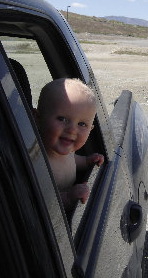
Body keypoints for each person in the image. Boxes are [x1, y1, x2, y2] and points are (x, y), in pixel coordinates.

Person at [33, 78, 104, 212]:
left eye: (82, 124)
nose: (72, 130)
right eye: (62, 119)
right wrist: (68, 198)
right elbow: (38, 203)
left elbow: (73, 160)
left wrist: (87, 161)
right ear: (37, 118)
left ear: (91, 129)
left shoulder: (66, 152)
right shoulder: (37, 161)